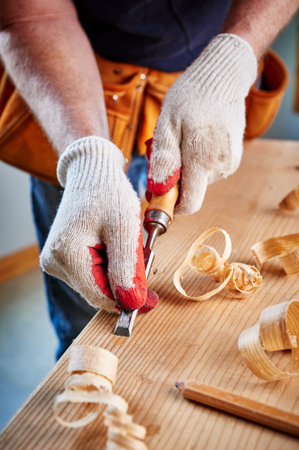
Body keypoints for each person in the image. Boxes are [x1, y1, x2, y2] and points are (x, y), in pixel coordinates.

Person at [0, 0, 297, 358]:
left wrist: (234, 57)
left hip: (213, 101)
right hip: (73, 90)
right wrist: (86, 160)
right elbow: (34, 13)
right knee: (83, 297)